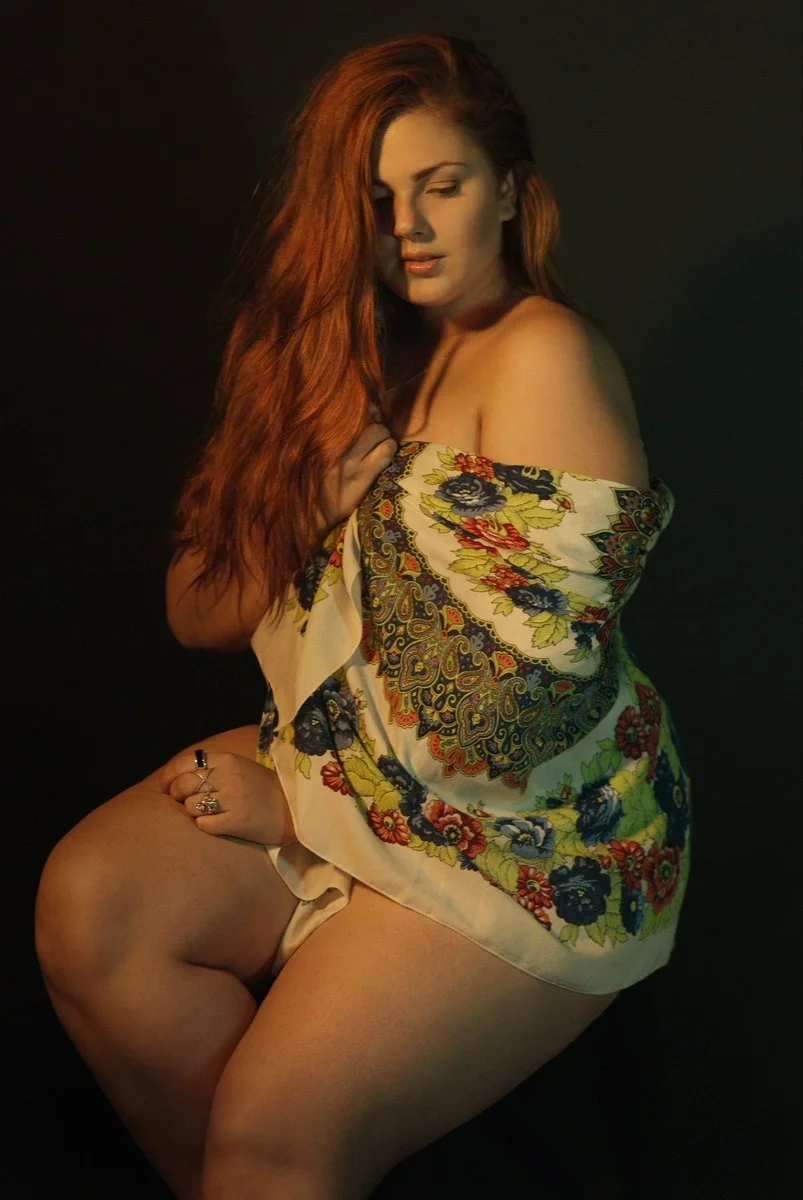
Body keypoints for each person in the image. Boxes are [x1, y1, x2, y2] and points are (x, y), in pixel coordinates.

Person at [34, 31, 692, 1200]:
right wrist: (303, 506)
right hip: (366, 772)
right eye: (377, 200)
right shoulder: (341, 356)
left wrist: (294, 806)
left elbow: (509, 720)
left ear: (508, 191)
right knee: (94, 910)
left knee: (270, 1132)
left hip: (533, 834)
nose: (410, 228)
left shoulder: (541, 356)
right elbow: (196, 607)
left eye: (442, 185)